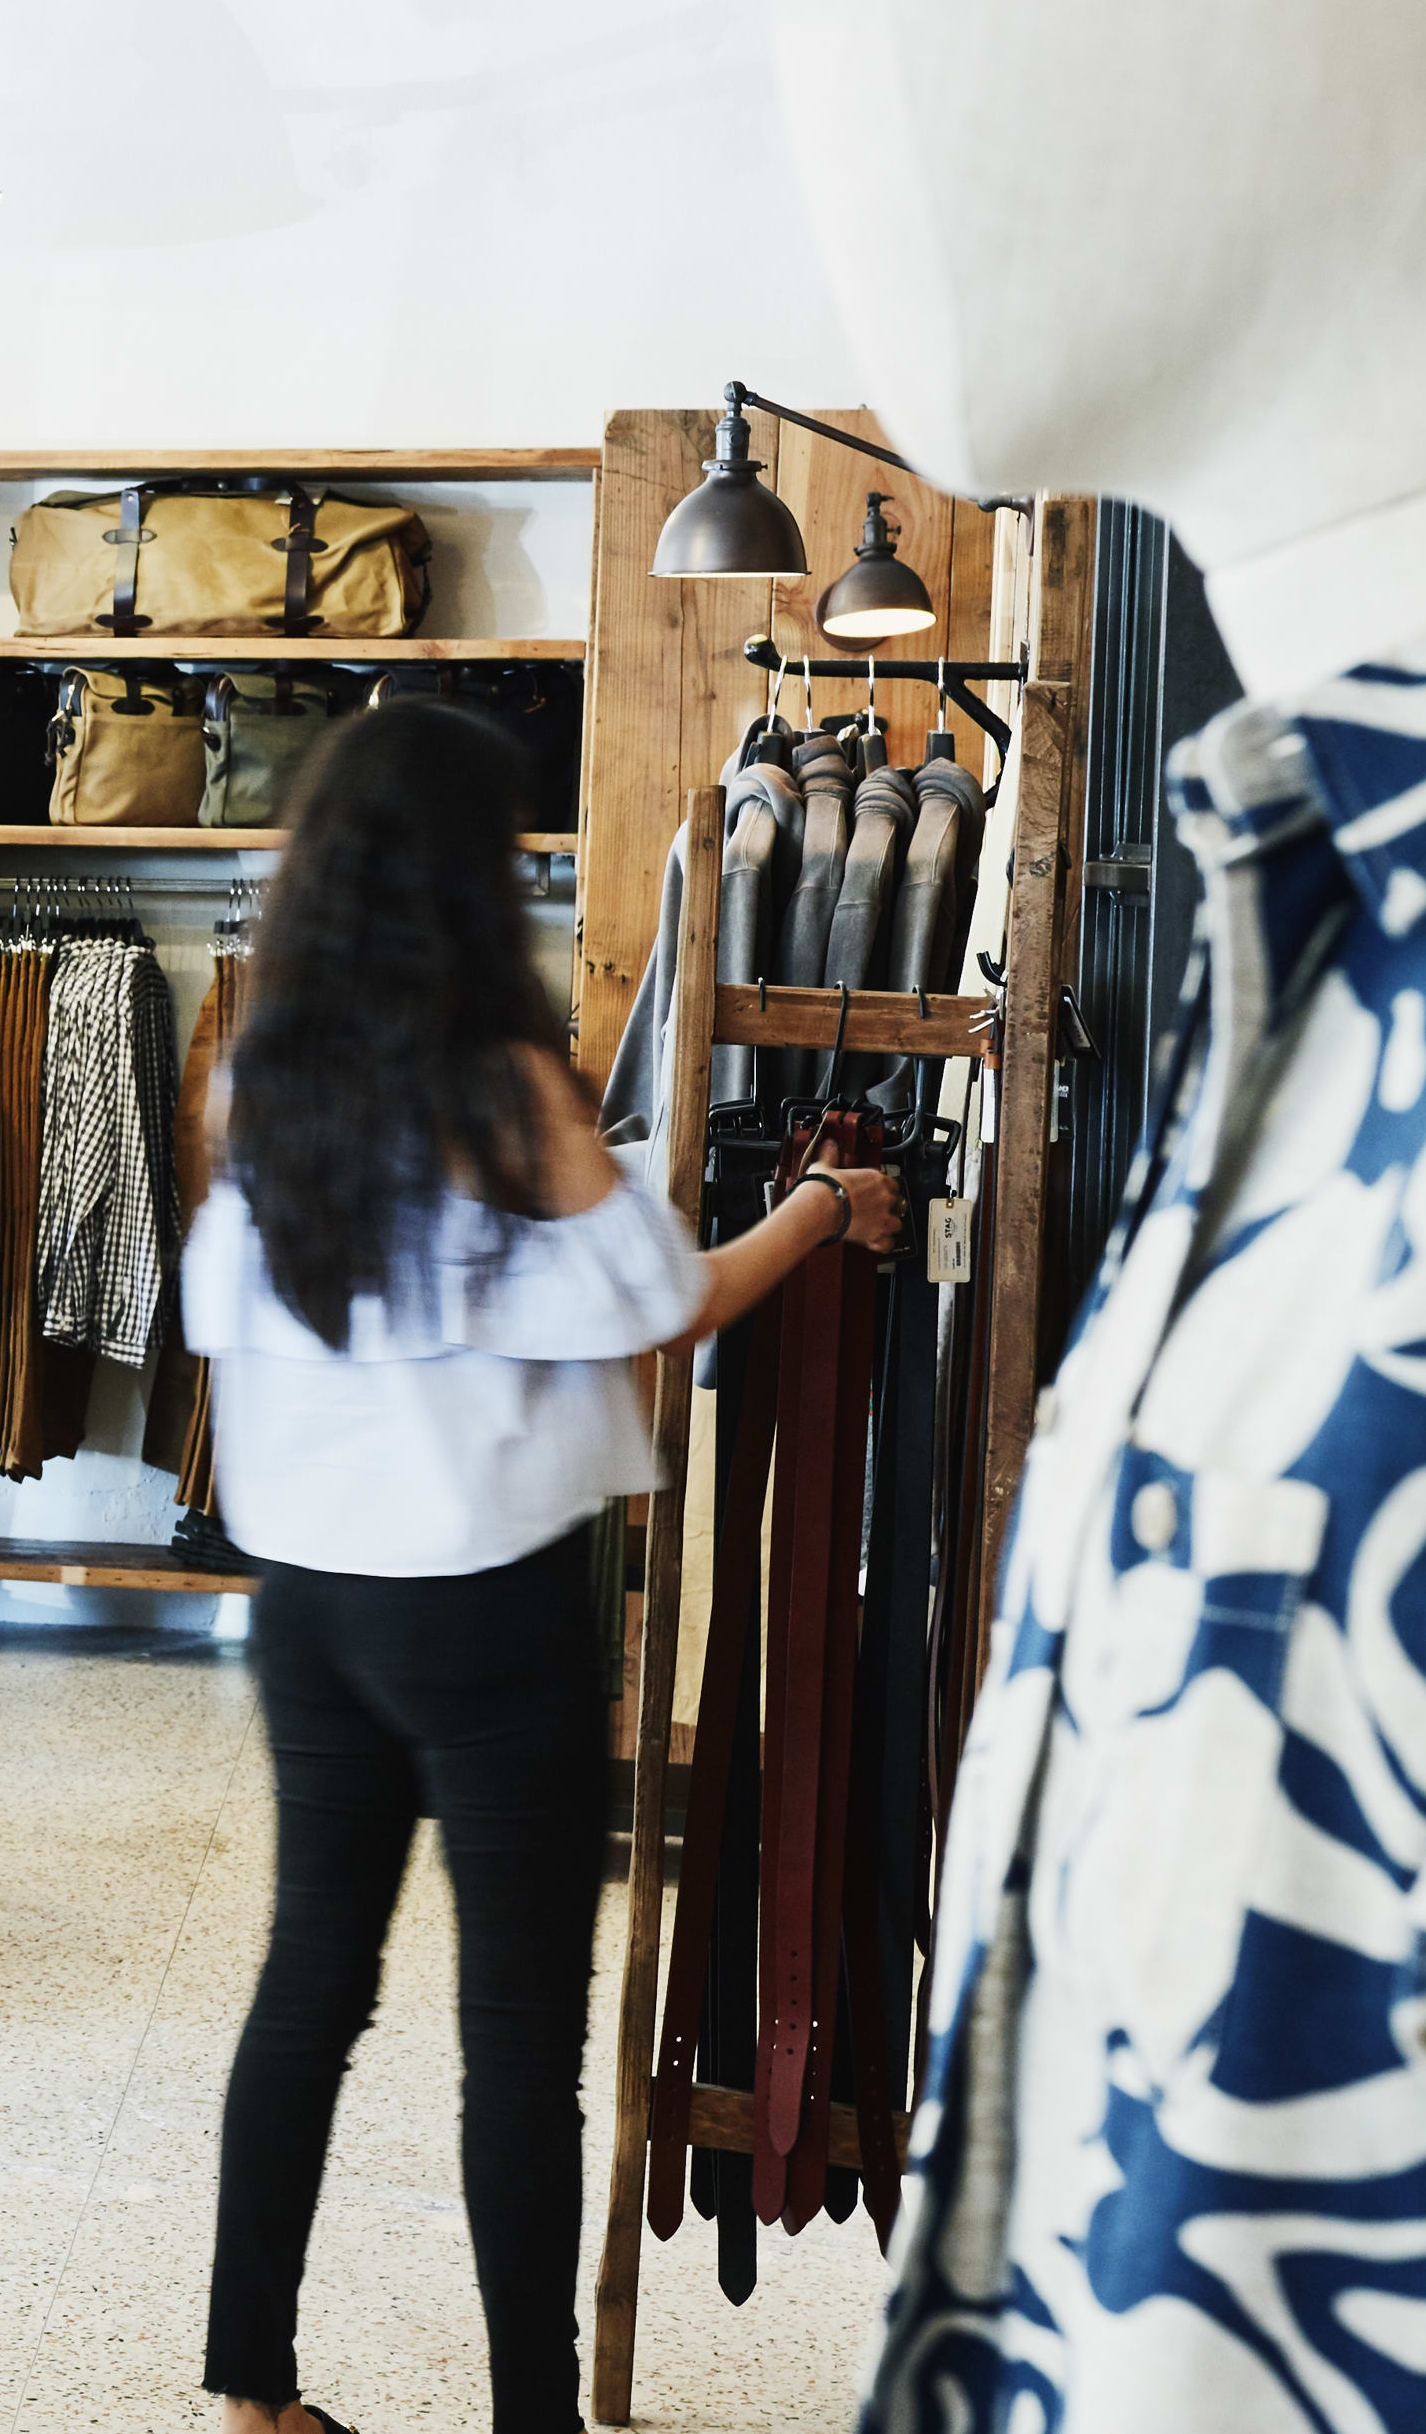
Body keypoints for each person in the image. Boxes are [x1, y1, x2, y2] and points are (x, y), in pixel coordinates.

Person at [173, 698, 891, 2434]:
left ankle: (249, 2390)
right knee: (518, 2038)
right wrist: (821, 1213)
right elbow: (667, 1301)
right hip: (488, 1611)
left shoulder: (256, 1073)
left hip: (311, 1606)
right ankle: (534, 2422)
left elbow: (269, 1304)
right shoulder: (506, 1090)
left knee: (310, 1987)